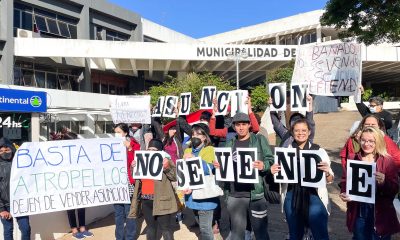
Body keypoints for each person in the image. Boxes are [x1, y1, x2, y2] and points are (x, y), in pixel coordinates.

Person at [271, 118, 334, 240]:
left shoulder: (319, 150)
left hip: (314, 195)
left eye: (304, 130)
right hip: (291, 194)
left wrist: (326, 172)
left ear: (309, 132)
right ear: (292, 132)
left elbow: (330, 179)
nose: (301, 133)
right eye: (297, 130)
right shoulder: (284, 152)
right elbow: (279, 179)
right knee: (295, 234)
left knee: (320, 232)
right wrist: (273, 172)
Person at [214, 112, 274, 240]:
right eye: (238, 124)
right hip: (235, 195)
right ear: (234, 126)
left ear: (249, 125)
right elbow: (225, 167)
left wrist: (264, 165)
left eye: (244, 124)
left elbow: (271, 160)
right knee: (237, 234)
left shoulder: (259, 139)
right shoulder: (230, 144)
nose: (241, 127)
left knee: (261, 233)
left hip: (256, 194)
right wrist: (220, 166)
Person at [339, 127, 400, 239]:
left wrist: (384, 182)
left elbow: (395, 188)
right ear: (359, 140)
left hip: (381, 212)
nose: (366, 144)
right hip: (359, 210)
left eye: (371, 141)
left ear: (378, 142)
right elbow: (345, 181)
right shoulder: (352, 158)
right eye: (363, 140)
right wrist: (344, 192)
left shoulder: (387, 161)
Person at [129, 139, 178, 240]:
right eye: (149, 149)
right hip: (146, 200)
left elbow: (175, 177)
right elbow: (135, 179)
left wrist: (167, 167)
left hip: (162, 200)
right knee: (151, 228)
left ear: (160, 151)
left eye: (154, 149)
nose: (151, 151)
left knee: (166, 229)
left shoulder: (166, 160)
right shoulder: (141, 160)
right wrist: (133, 167)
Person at [183, 124, 219, 240]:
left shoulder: (209, 149)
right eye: (193, 134)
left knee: (205, 228)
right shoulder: (187, 150)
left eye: (198, 134)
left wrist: (194, 159)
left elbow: (209, 169)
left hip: (205, 195)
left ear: (205, 137)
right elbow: (184, 171)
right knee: (201, 223)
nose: (195, 136)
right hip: (192, 194)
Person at [60, 131, 94, 239]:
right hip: (67, 183)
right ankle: (74, 229)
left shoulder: (79, 151)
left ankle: (83, 228)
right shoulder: (61, 152)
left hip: (79, 182)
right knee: (70, 207)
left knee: (81, 205)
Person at [0, 137, 31, 240]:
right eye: (1, 151)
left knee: (26, 229)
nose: (4, 152)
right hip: (5, 205)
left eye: (7, 150)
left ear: (12, 149)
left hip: (21, 203)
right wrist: (1, 209)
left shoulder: (21, 164)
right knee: (8, 230)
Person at [114, 123, 139, 240]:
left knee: (130, 213)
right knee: (118, 214)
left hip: (128, 183)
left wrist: (129, 148)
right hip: (116, 184)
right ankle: (119, 237)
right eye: (115, 132)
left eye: (118, 132)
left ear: (125, 133)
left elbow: (134, 162)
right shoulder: (112, 144)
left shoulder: (134, 144)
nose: (116, 134)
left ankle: (130, 237)